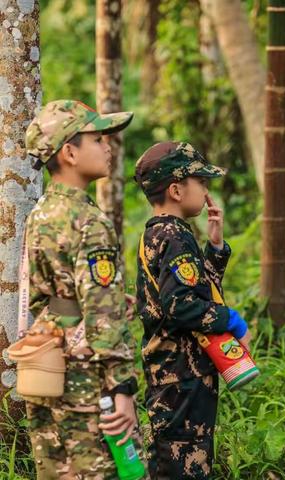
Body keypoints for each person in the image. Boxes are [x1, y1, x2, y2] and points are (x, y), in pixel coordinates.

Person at [23, 99, 143, 479]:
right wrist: (122, 387)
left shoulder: (41, 212)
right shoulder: (89, 222)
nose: (108, 147)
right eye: (98, 139)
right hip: (87, 377)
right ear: (70, 152)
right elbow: (103, 315)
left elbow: (47, 292)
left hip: (45, 364)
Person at [134, 142, 252, 479]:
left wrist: (214, 248)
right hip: (181, 378)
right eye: (200, 181)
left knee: (182, 462)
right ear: (176, 189)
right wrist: (232, 320)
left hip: (176, 377)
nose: (206, 190)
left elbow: (197, 291)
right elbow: (180, 306)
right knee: (183, 467)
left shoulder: (161, 233)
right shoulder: (174, 236)